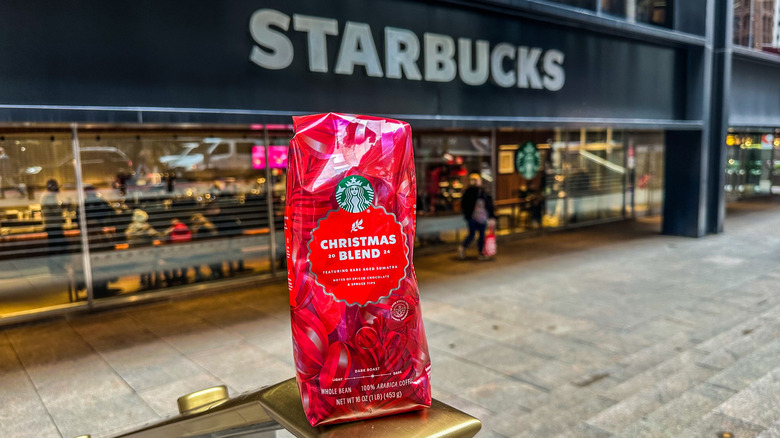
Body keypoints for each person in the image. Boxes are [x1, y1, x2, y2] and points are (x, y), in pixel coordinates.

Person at [458, 173, 495, 260]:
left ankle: (478, 252)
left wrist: (491, 216)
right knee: (474, 234)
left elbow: (488, 205)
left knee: (477, 235)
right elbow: (488, 205)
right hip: (475, 217)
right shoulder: (475, 192)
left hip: (478, 217)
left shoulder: (479, 192)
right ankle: (473, 250)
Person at [125, 208, 160, 289]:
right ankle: (146, 282)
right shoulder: (136, 227)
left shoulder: (139, 227)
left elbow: (128, 235)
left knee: (145, 267)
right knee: (145, 267)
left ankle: (146, 282)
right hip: (143, 251)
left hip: (143, 251)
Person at [40, 179, 66, 272]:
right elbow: (54, 211)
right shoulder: (48, 197)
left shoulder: (48, 196)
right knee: (59, 246)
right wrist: (62, 208)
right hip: (53, 226)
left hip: (52, 225)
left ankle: (55, 267)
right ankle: (55, 267)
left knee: (56, 246)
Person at [189, 213, 218, 281]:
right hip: (210, 249)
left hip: (207, 250)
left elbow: (197, 239)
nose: (194, 223)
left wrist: (195, 231)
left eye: (195, 221)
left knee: (194, 257)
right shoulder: (209, 225)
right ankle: (213, 273)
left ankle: (199, 274)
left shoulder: (204, 227)